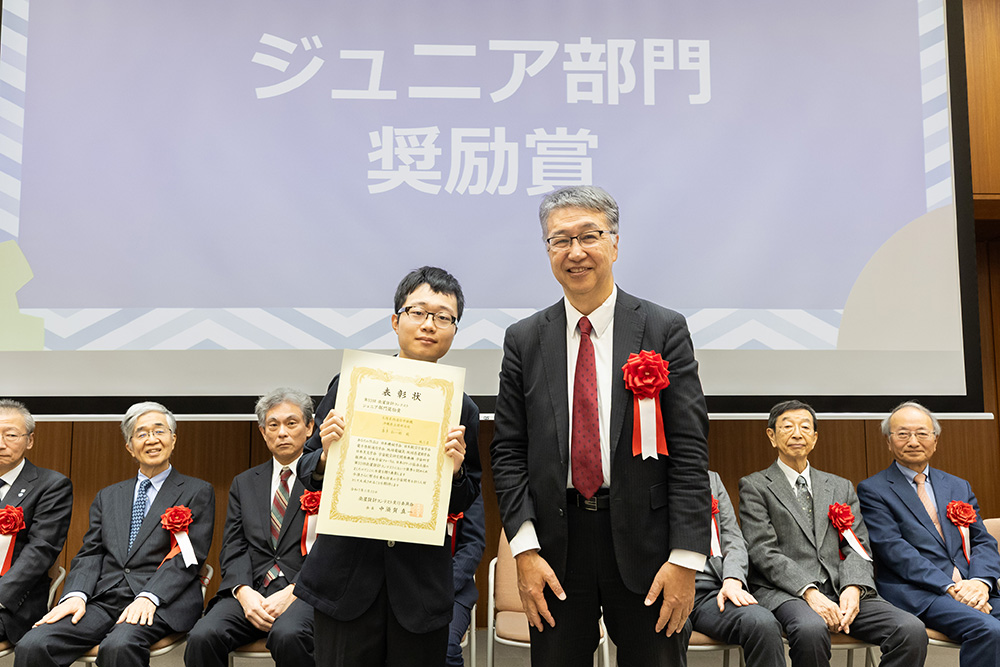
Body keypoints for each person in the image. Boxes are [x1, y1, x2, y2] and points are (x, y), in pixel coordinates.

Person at [490, 185, 711, 667]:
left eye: (588, 236)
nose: (575, 252)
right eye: (559, 240)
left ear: (614, 243)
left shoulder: (661, 327)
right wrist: (524, 551)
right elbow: (508, 452)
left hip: (648, 546)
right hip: (555, 548)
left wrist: (686, 559)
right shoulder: (525, 339)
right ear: (547, 250)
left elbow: (691, 452)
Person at [296, 266, 482, 667]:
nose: (429, 325)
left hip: (418, 590)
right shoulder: (351, 384)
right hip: (346, 581)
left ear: (454, 330)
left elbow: (468, 495)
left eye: (443, 317)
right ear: (396, 320)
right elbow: (306, 468)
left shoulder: (463, 406)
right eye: (418, 312)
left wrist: (457, 471)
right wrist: (326, 455)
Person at [14, 402, 215, 667]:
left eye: (159, 431)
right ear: (130, 447)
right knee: (34, 644)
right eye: (141, 434)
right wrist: (76, 594)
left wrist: (149, 597)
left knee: (118, 646)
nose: (152, 440)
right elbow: (91, 553)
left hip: (161, 600)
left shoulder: (197, 491)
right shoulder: (108, 496)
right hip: (104, 599)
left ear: (173, 439)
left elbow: (189, 558)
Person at [738, 400, 926, 667]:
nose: (797, 434)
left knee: (910, 629)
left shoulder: (840, 486)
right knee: (810, 630)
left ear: (814, 438)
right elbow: (762, 551)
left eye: (805, 427)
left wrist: (853, 586)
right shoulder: (755, 486)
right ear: (772, 436)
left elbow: (858, 545)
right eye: (787, 427)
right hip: (788, 592)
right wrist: (809, 592)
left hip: (842, 589)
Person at [858, 401, 1000, 667]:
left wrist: (980, 582)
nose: (913, 441)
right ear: (889, 442)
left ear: (935, 440)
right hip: (921, 592)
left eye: (922, 433)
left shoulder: (958, 485)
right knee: (988, 630)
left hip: (973, 588)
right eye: (903, 434)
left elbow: (982, 540)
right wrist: (951, 587)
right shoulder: (873, 490)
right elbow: (894, 550)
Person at [184, 388, 316, 667]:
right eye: (273, 425)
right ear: (263, 432)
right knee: (202, 635)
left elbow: (334, 550)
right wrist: (243, 592)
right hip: (253, 590)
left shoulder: (326, 479)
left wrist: (293, 591)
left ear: (309, 428)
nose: (282, 432)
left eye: (291, 423)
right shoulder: (244, 483)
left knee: (288, 635)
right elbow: (233, 546)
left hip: (304, 591)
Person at [688, 470, 784, 667]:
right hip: (661, 593)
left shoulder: (711, 479)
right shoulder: (642, 478)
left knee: (762, 624)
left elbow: (733, 538)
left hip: (712, 593)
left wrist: (732, 579)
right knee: (660, 638)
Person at [0, 400, 73, 643]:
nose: (1, 444)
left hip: (13, 601)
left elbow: (40, 551)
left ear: (29, 440)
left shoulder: (51, 485)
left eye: (10, 435)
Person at [447, 495, 485, 667]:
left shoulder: (467, 478)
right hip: (399, 582)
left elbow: (473, 545)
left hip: (452, 588)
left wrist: (442, 586)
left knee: (445, 646)